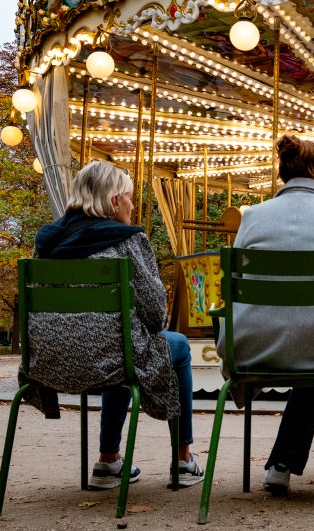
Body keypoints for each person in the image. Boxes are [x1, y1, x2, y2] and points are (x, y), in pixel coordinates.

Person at [28, 161, 204, 490]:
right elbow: (155, 317)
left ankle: (108, 462)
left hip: (48, 363)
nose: (133, 205)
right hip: (111, 361)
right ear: (113, 202)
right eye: (129, 197)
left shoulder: (45, 244)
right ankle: (183, 459)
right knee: (173, 346)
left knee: (121, 345)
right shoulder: (128, 240)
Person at [218, 134, 314, 495]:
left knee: (308, 340)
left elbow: (238, 278)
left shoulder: (252, 217)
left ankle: (283, 464)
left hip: (254, 346)